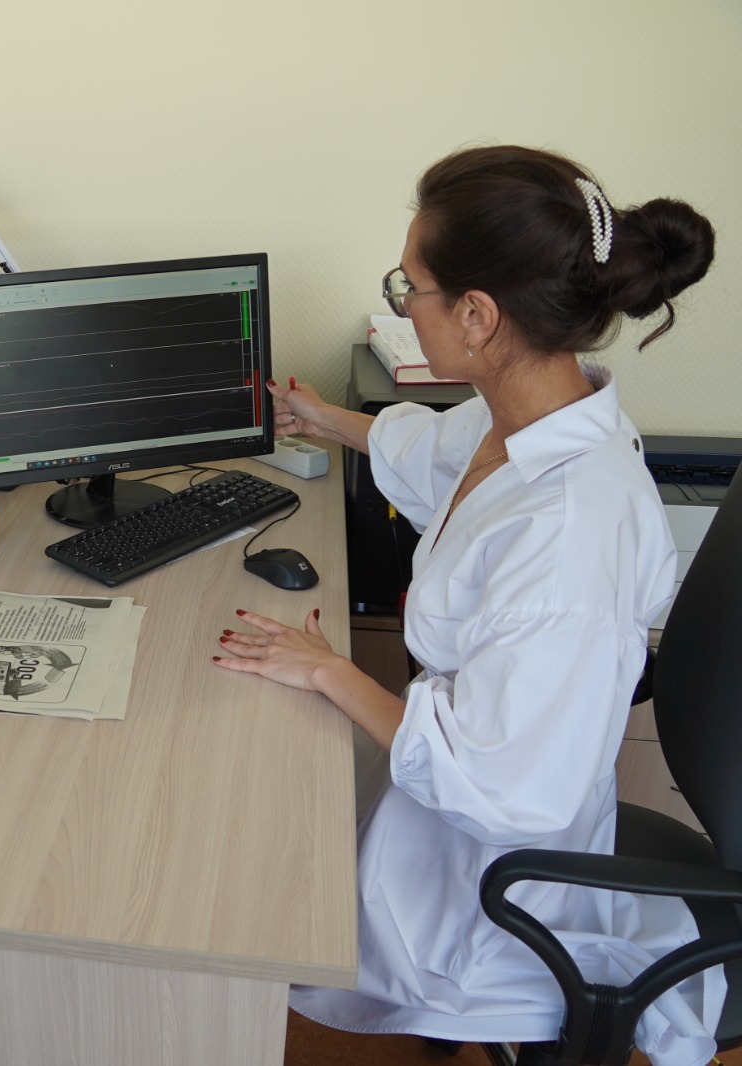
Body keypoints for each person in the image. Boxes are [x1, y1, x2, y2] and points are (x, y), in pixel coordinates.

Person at [212, 147, 720, 1065]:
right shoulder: (532, 412)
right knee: (258, 792)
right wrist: (326, 420)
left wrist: (330, 672)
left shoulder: (567, 533)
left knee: (242, 893)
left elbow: (499, 788)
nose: (403, 303)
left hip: (489, 880)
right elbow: (442, 459)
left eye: (410, 286)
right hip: (455, 778)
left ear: (478, 315)